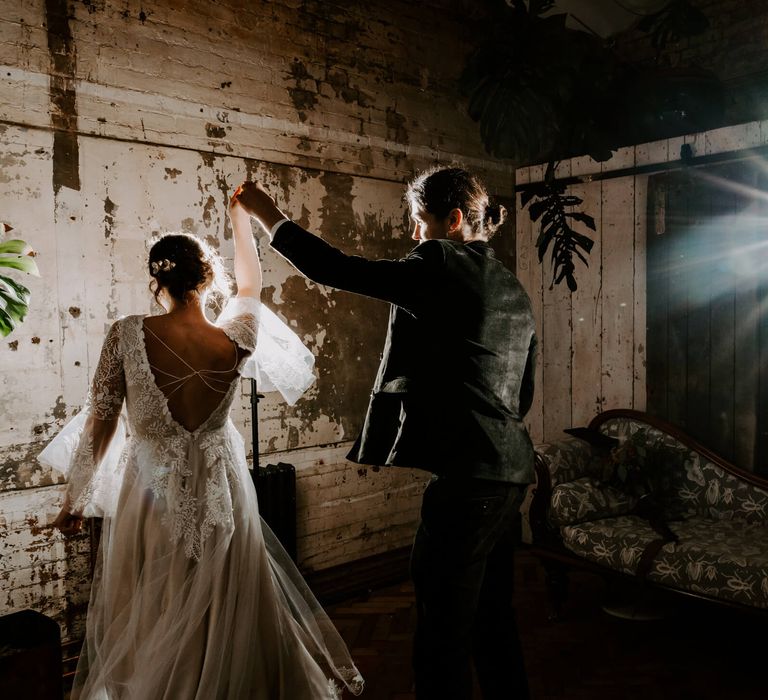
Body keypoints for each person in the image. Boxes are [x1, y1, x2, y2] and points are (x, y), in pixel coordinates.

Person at [40, 191, 363, 699]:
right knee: (229, 596)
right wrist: (240, 216)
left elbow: (99, 427)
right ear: (208, 278)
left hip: (151, 492)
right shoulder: (236, 336)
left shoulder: (126, 334)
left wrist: (73, 500)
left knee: (155, 603)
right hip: (221, 487)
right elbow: (252, 283)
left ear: (157, 281)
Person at [234, 167, 537, 700]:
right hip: (511, 473)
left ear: (454, 220)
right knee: (494, 622)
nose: (414, 236)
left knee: (441, 635)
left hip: (468, 481)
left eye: (420, 222)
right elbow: (523, 394)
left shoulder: (440, 260)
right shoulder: (513, 288)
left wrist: (265, 213)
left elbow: (334, 269)